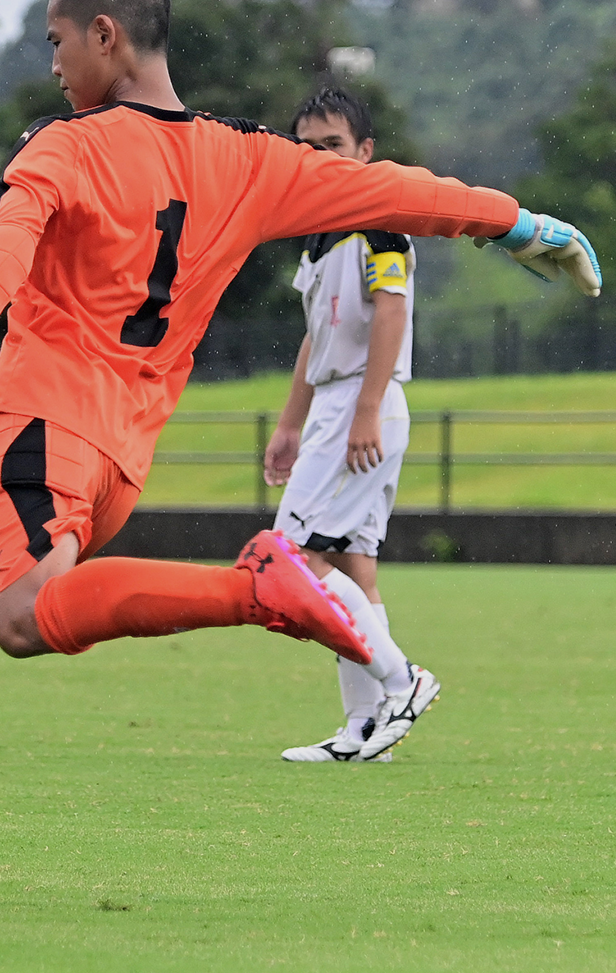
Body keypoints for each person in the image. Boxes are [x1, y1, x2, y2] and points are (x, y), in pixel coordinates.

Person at [0, 0, 601, 914]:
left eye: (55, 41)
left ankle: (253, 588)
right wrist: (516, 223)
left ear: (105, 36)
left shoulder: (65, 146)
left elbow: (4, 241)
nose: (51, 63)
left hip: (43, 428)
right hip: (120, 460)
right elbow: (398, 194)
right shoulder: (249, 160)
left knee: (20, 620)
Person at [266, 87, 428, 763]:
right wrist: (288, 423)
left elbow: (390, 310)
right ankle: (366, 732)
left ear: (365, 152)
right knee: (355, 566)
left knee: (288, 560)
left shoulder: (380, 219)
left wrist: (363, 410)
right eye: (305, 148)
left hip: (365, 404)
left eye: (332, 145)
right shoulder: (317, 234)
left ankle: (403, 681)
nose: (318, 159)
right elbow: (315, 337)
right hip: (336, 406)